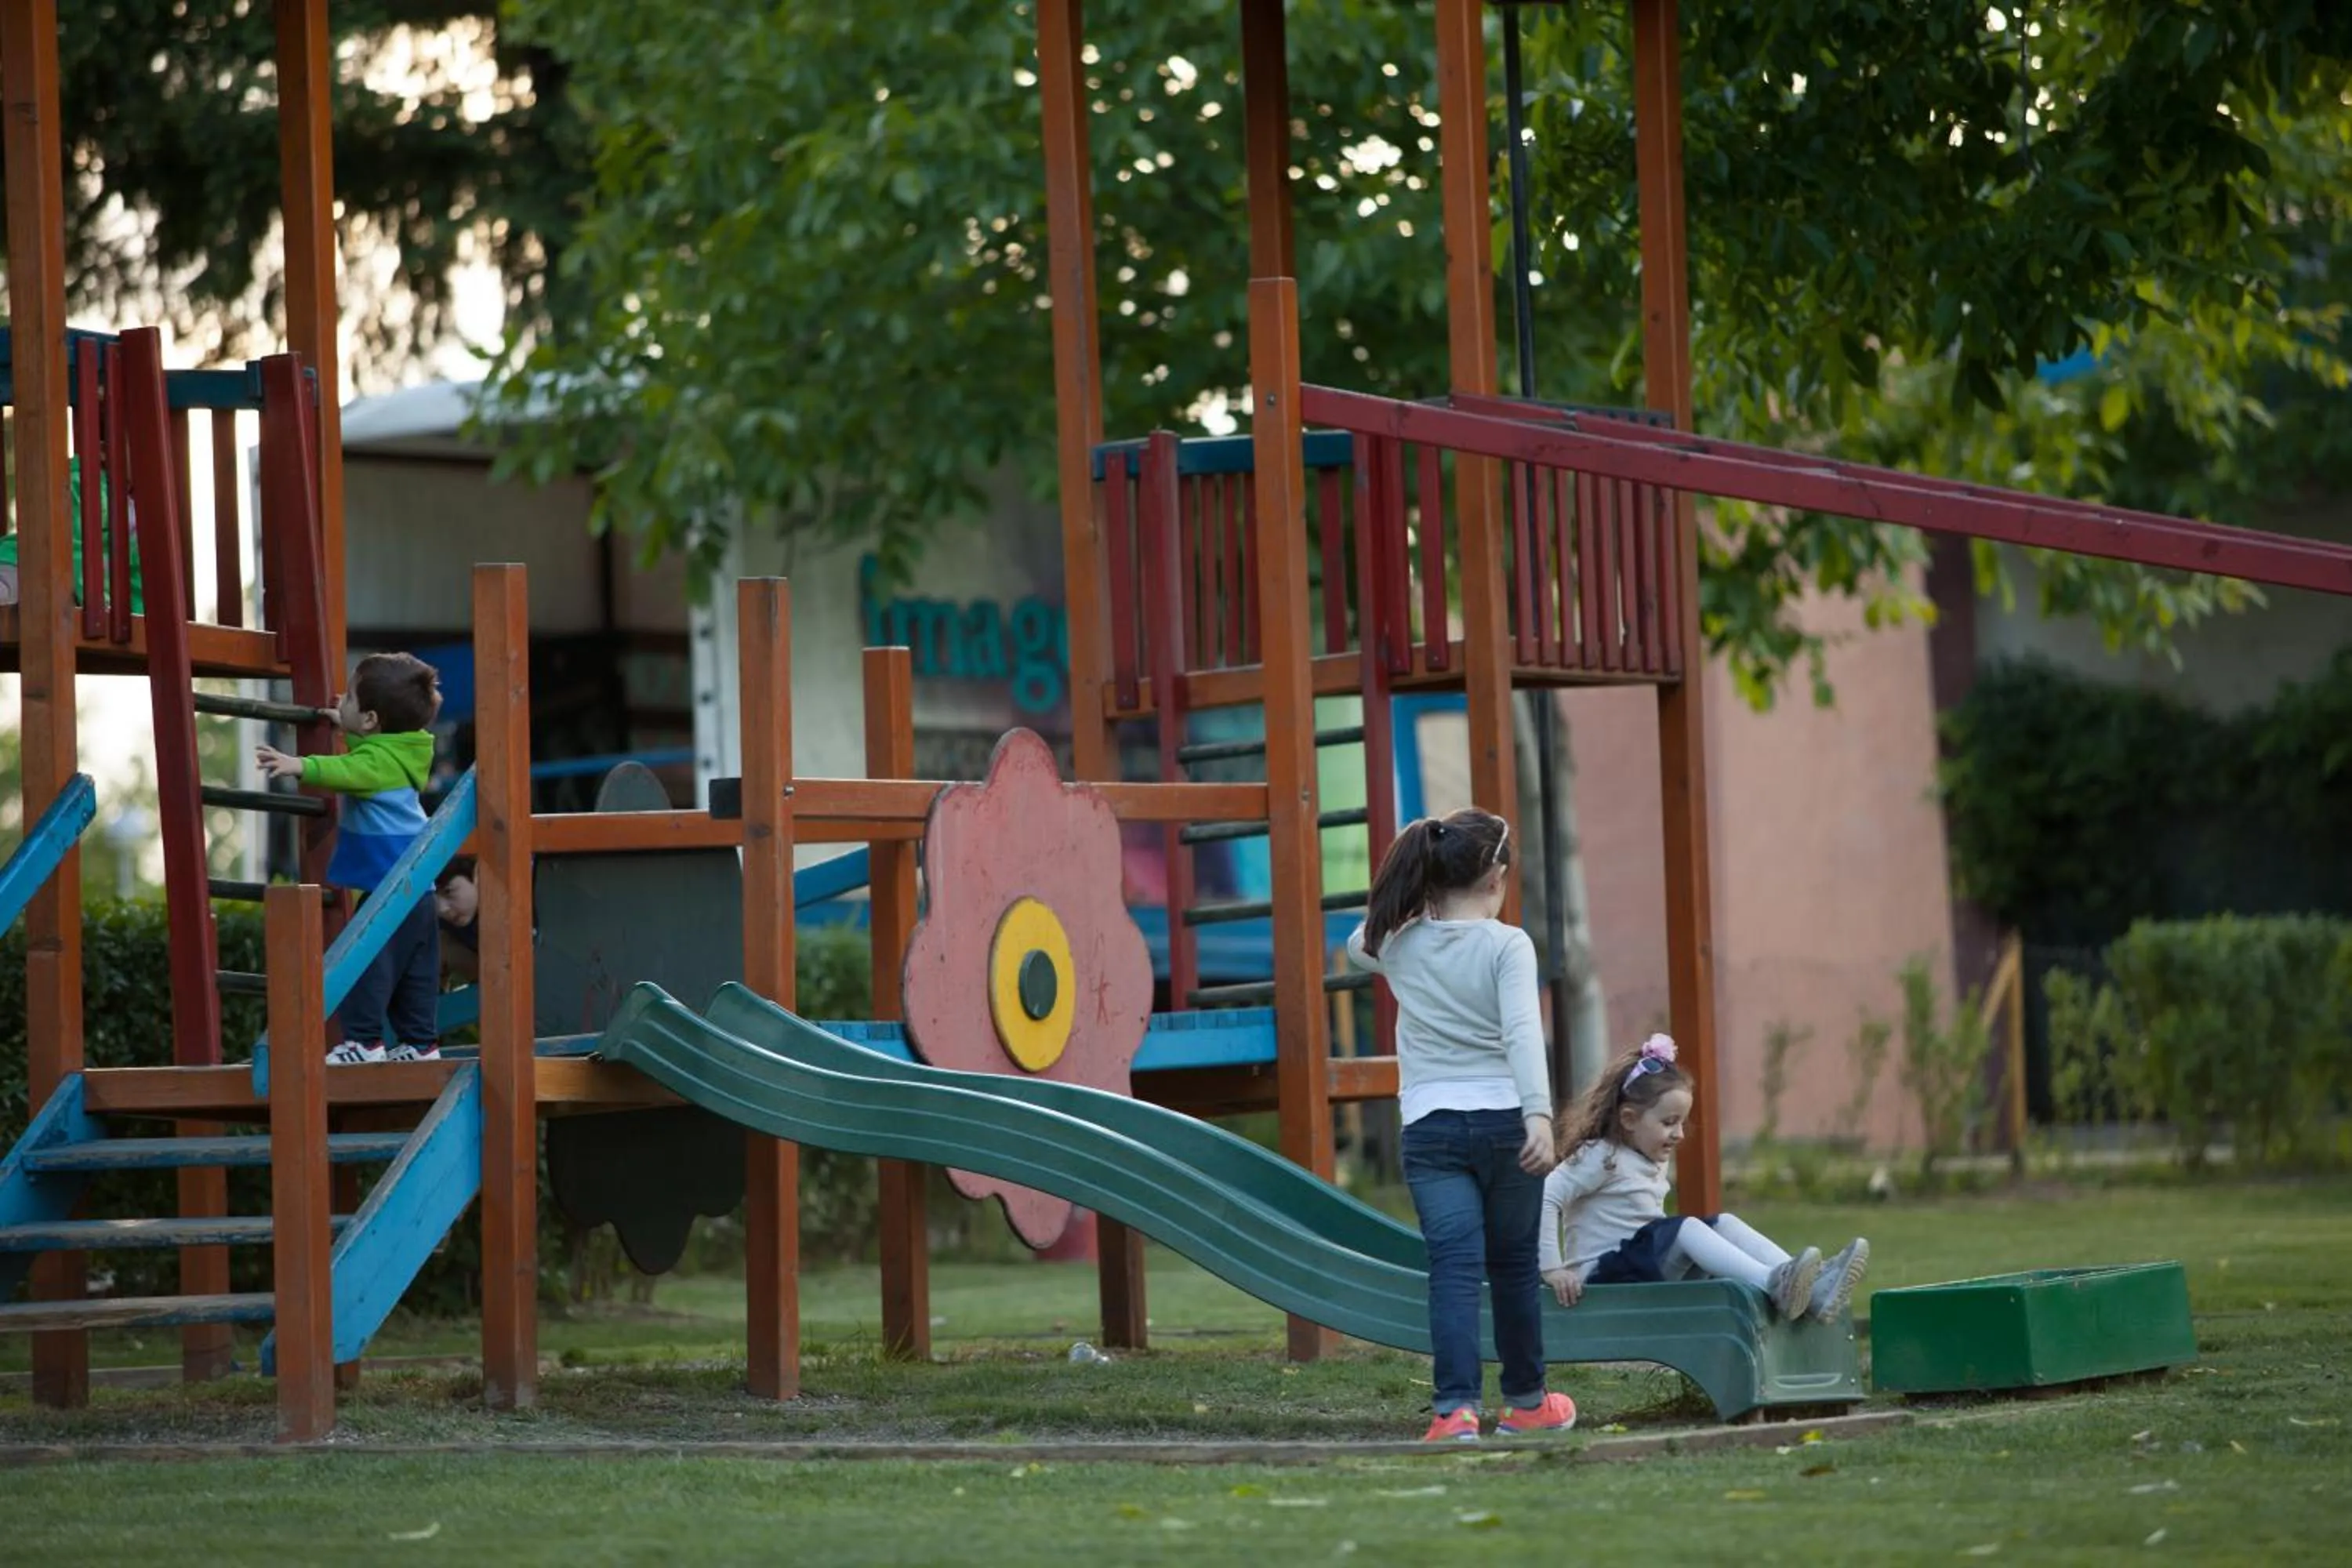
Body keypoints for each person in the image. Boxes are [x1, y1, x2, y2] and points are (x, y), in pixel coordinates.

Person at [1347, 808, 1577, 1444]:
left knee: (1452, 1269)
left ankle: (1455, 1412)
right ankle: (1527, 1403)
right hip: (1508, 1125)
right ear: (1498, 877)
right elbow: (1523, 1032)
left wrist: (1411, 905)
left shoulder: (1399, 944)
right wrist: (1538, 1114)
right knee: (1513, 1266)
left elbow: (1357, 944)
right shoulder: (1508, 945)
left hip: (1433, 1129)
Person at [1539, 1035, 1869, 1321]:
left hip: (1641, 1269)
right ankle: (1774, 1284)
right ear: (1629, 1119)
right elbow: (1547, 1195)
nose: (1679, 1134)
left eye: (1682, 1123)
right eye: (1669, 1123)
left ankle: (1810, 1287)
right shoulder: (1601, 1155)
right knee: (1686, 1228)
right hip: (1604, 1277)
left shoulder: (1646, 1158)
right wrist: (1553, 1269)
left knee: (1724, 1222)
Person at [257, 652, 443, 1064]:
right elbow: (371, 754)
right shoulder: (404, 753)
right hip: (419, 886)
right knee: (415, 972)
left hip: (388, 887)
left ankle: (364, 1041)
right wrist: (346, 723)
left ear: (372, 720)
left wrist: (299, 765)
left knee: (365, 961)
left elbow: (349, 771)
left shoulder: (374, 764)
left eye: (350, 699)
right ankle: (421, 1044)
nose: (341, 701)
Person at [433, 855, 480, 986]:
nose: (442, 909)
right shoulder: (441, 926)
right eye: (433, 901)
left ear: (477, 875)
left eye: (449, 892)